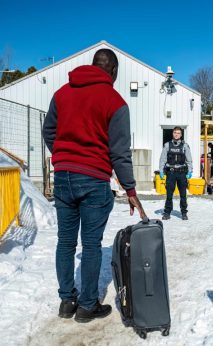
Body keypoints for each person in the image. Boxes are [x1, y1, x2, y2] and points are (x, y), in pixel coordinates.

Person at [43, 49, 146, 323]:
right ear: (113, 71)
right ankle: (87, 306)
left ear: (92, 66)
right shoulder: (115, 102)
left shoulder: (62, 93)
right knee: (90, 244)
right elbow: (120, 153)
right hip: (93, 179)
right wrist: (131, 191)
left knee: (65, 242)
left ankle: (67, 301)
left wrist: (64, 156)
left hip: (63, 175)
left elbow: (48, 131)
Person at [159, 127, 193, 220]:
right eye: (175, 132)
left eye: (178, 133)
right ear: (172, 134)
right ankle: (167, 212)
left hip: (182, 173)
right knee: (169, 194)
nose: (176, 134)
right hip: (171, 173)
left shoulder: (185, 146)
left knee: (183, 194)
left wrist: (190, 171)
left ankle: (184, 213)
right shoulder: (167, 145)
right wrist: (161, 171)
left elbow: (189, 159)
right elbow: (162, 159)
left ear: (181, 135)